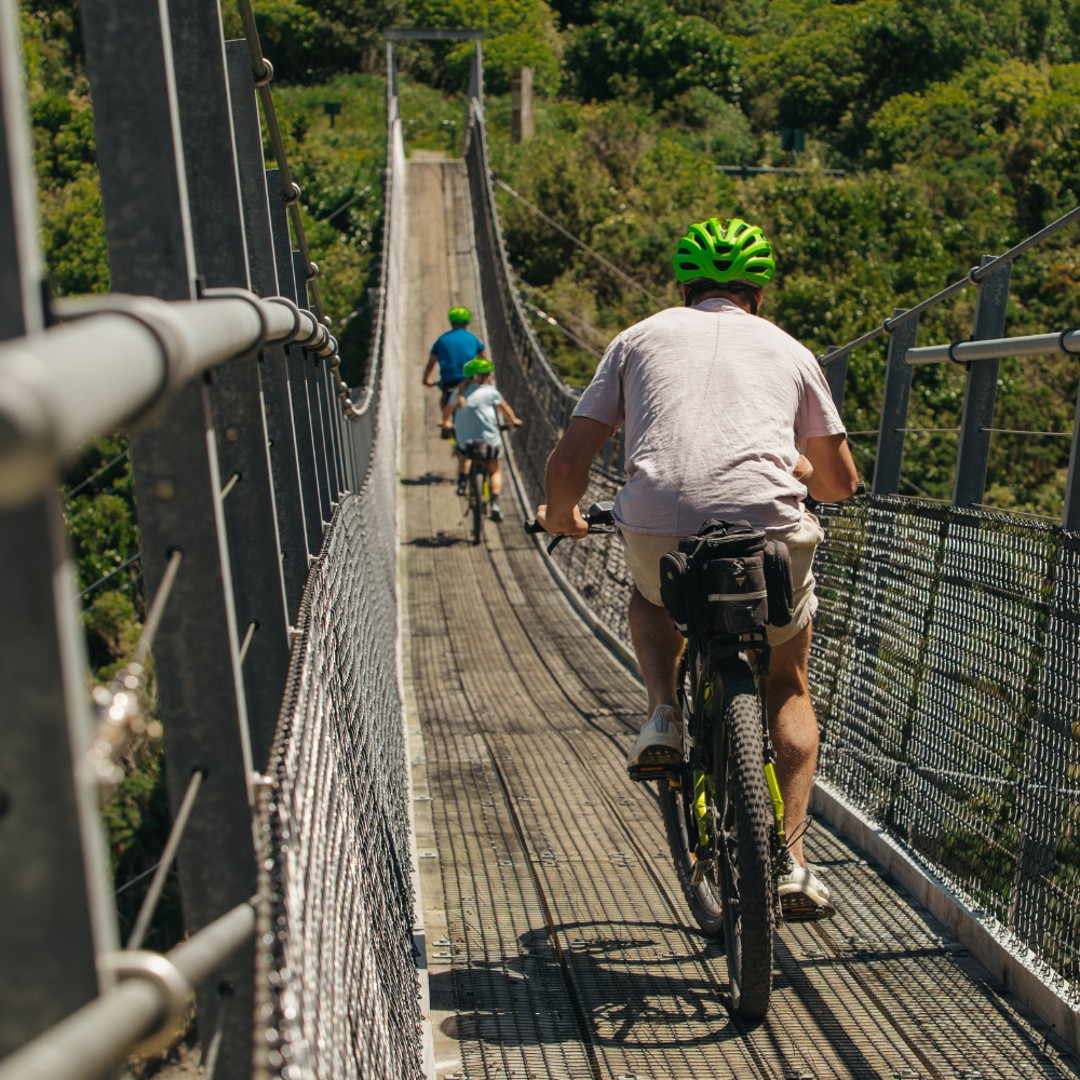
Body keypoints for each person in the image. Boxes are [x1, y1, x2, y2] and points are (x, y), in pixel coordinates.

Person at [536, 216, 859, 917]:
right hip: (770, 532)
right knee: (788, 681)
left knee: (652, 601)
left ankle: (662, 715)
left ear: (684, 287)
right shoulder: (791, 351)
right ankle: (796, 863)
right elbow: (837, 485)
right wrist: (796, 464)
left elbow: (569, 461)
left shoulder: (638, 339)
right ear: (759, 295)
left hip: (661, 524)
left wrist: (561, 515)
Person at [452, 357, 522, 522]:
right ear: (482, 376)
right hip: (489, 441)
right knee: (494, 470)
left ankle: (462, 482)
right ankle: (495, 503)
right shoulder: (491, 392)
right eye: (489, 374)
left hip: (465, 442)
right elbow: (506, 410)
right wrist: (514, 422)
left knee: (463, 455)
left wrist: (447, 422)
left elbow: (448, 411)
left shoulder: (458, 392)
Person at [423, 306, 487, 437]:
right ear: (467, 323)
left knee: (446, 403)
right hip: (469, 381)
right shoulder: (473, 339)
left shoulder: (441, 340)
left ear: (451, 322)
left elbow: (431, 363)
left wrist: (426, 379)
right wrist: (486, 378)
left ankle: (447, 425)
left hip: (449, 382)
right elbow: (484, 361)